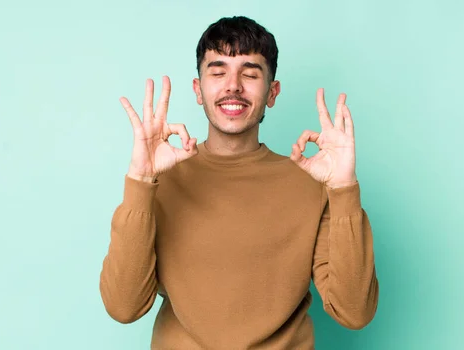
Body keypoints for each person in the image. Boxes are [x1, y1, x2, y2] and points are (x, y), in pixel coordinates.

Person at [99, 15, 379, 349]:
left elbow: (355, 312)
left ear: (272, 92)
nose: (233, 85)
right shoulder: (161, 180)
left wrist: (344, 189)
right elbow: (124, 307)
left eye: (250, 73)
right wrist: (141, 180)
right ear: (198, 90)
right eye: (218, 72)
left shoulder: (311, 183)